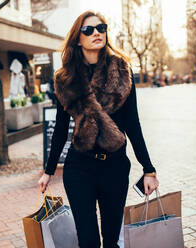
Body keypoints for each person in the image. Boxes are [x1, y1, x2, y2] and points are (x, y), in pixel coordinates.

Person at [38, 11, 159, 248]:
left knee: (112, 239)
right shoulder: (66, 79)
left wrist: (149, 169)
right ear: (77, 39)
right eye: (88, 30)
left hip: (114, 166)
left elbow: (133, 124)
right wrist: (49, 170)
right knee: (88, 240)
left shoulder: (122, 72)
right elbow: (61, 129)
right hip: (79, 167)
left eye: (101, 28)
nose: (96, 33)